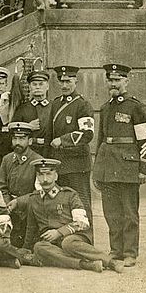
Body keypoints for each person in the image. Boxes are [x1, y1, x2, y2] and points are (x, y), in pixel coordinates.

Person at [92, 63, 146, 267]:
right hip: (108, 167)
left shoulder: (136, 107)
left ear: (126, 81)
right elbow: (101, 140)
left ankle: (130, 253)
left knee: (129, 212)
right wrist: (98, 171)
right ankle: (116, 250)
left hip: (128, 168)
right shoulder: (105, 108)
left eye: (117, 80)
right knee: (111, 212)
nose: (113, 84)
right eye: (110, 80)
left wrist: (144, 168)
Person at [21, 158, 124, 273]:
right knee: (39, 247)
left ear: (56, 176)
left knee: (68, 243)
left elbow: (83, 223)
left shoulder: (69, 195)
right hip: (53, 244)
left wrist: (59, 232)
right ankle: (87, 264)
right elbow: (31, 228)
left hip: (75, 238)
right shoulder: (33, 199)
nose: (45, 179)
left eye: (49, 174)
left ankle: (110, 262)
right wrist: (25, 249)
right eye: (41, 175)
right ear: (37, 176)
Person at [46, 65, 95, 223]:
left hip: (77, 165)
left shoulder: (82, 105)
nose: (64, 85)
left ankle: (86, 241)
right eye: (61, 81)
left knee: (81, 205)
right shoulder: (55, 104)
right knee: (61, 206)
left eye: (68, 81)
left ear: (76, 81)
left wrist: (63, 140)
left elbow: (87, 134)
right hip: (59, 164)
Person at [0, 121, 43, 246]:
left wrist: (19, 202)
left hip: (29, 208)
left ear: (30, 141)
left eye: (22, 139)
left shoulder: (37, 161)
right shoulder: (7, 159)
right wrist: (7, 202)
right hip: (10, 207)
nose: (17, 142)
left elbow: (40, 192)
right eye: (15, 138)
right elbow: (1, 186)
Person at [11, 70, 53, 156]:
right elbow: (12, 131)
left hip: (50, 150)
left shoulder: (54, 106)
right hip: (28, 151)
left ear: (47, 86)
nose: (37, 87)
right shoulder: (22, 108)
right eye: (34, 84)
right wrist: (28, 127)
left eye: (41, 84)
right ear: (30, 87)